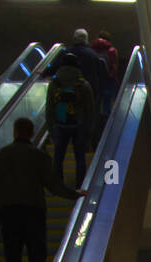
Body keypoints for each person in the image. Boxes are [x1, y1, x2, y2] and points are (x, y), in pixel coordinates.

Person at [0, 117, 87, 262]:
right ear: (32, 133)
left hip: (9, 215)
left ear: (15, 132)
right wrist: (75, 194)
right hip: (34, 214)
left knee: (12, 261)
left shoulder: (0, 156)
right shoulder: (39, 156)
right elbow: (53, 185)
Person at [44, 54, 95, 188]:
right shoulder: (83, 84)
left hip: (60, 124)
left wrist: (51, 129)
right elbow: (90, 111)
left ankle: (58, 184)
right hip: (79, 125)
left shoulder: (54, 84)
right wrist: (88, 134)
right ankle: (80, 185)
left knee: (58, 157)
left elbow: (49, 108)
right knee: (79, 156)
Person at [44, 29, 106, 114]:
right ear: (86, 39)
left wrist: (43, 73)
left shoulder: (67, 53)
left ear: (75, 39)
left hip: (68, 92)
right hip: (89, 91)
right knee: (87, 114)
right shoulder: (93, 55)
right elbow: (100, 74)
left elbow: (54, 67)